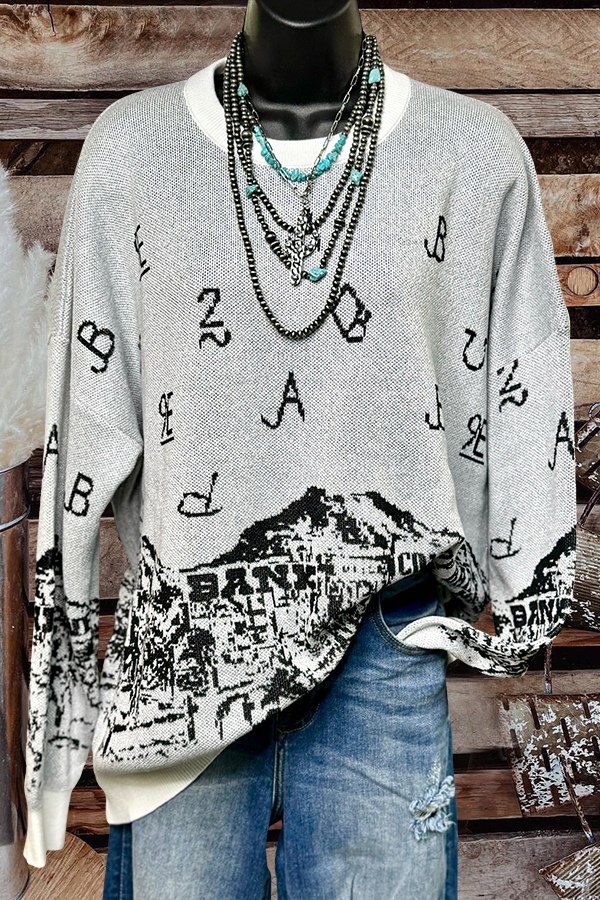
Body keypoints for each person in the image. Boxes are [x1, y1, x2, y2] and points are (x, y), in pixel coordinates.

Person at [23, 1, 576, 898]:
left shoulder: (473, 158)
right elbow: (84, 424)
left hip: (387, 636)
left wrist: (519, 617)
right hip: (187, 649)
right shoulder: (134, 155)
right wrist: (57, 741)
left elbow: (525, 388)